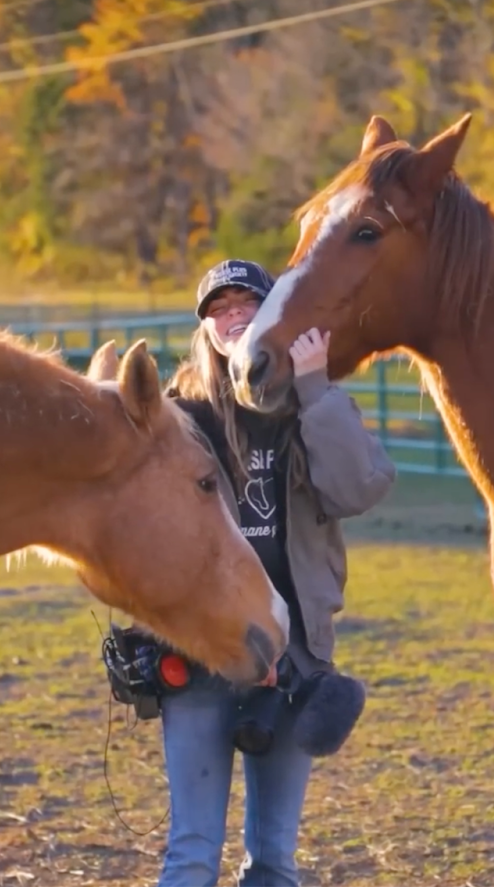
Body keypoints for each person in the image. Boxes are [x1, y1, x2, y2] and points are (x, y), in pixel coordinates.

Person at [152, 258, 397, 887]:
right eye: (219, 310)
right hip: (205, 655)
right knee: (192, 853)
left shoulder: (304, 410)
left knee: (273, 861)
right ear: (205, 329)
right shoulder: (179, 419)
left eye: (246, 305)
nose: (233, 318)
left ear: (270, 314)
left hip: (294, 663)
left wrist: (315, 389)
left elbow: (359, 488)